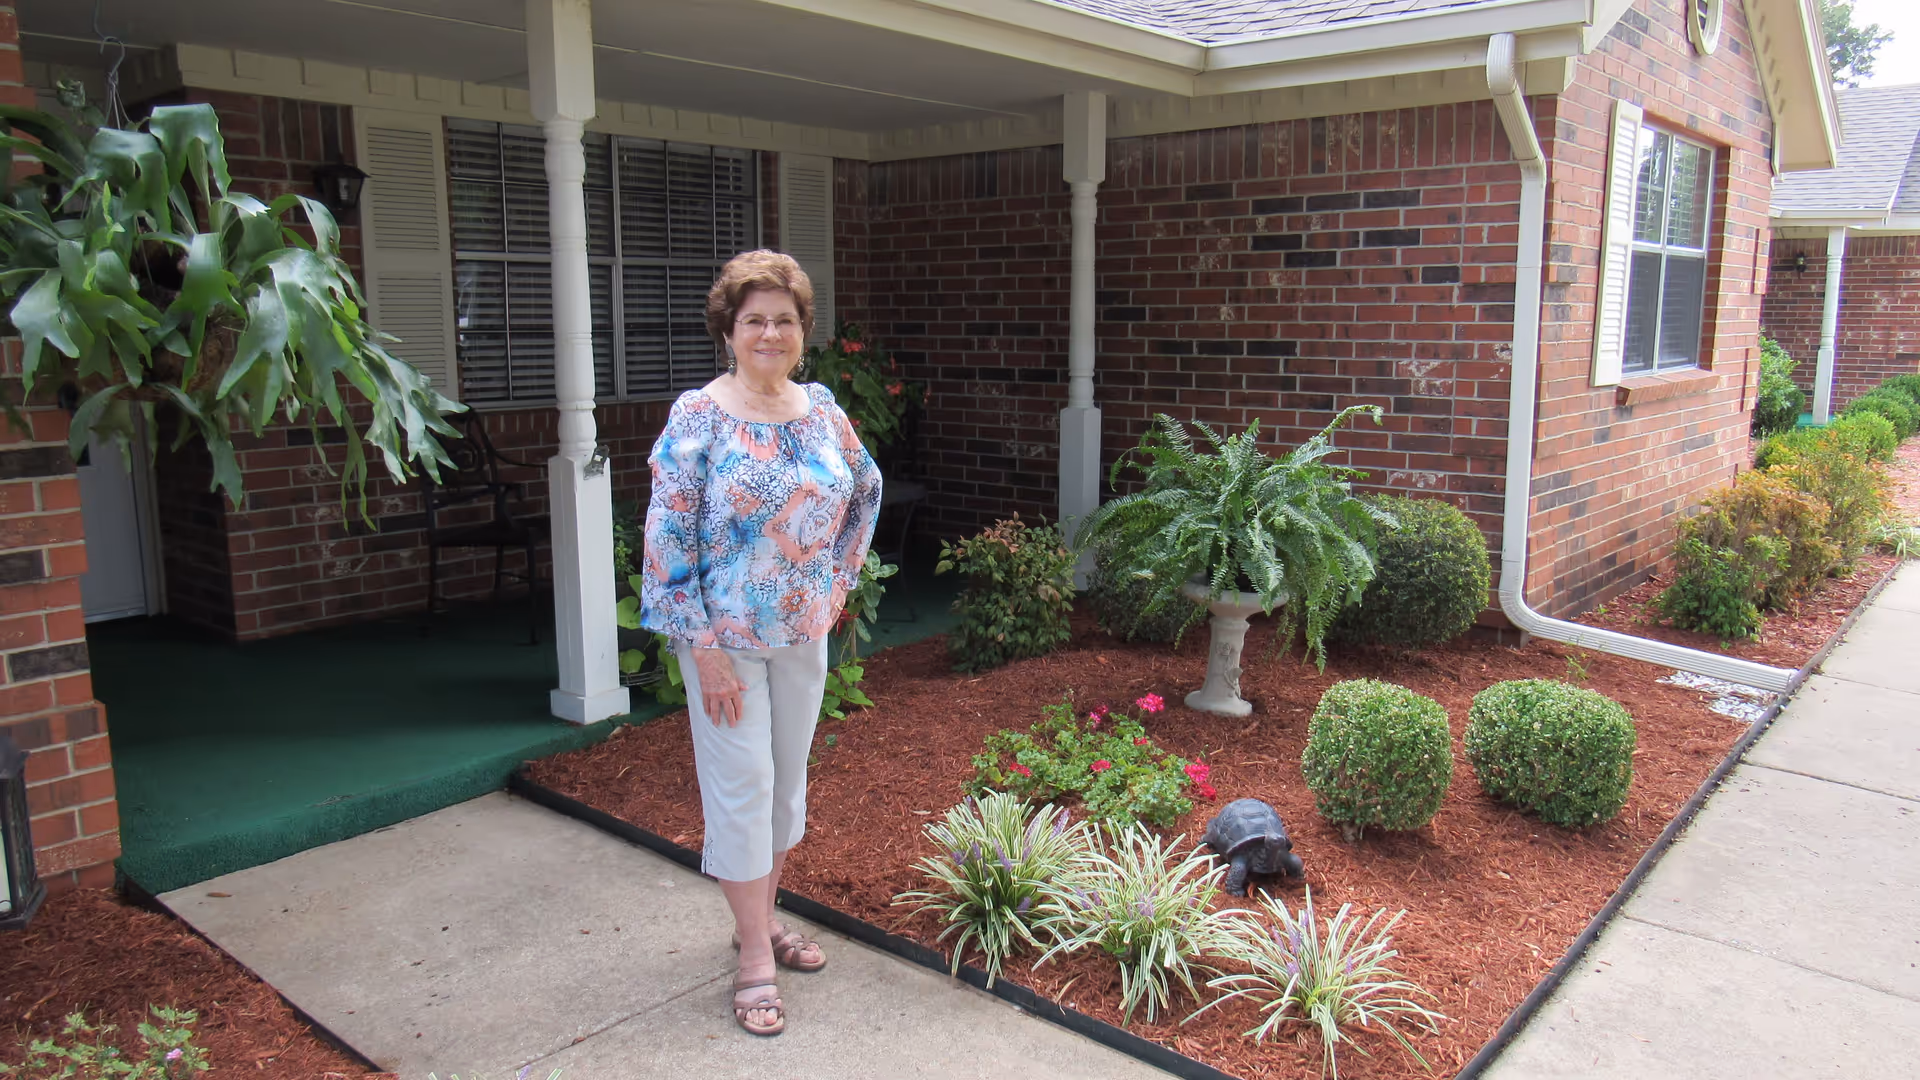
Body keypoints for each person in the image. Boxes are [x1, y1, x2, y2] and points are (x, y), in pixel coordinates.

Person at [639, 249, 882, 1037]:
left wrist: (839, 581)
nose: (769, 333)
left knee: (784, 787)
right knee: (741, 788)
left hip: (801, 633)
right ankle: (753, 956)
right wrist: (700, 647)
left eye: (784, 320)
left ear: (802, 332)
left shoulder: (820, 411)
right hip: (724, 640)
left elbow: (864, 488)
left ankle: (763, 915)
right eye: (754, 321)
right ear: (730, 331)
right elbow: (667, 536)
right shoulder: (700, 415)